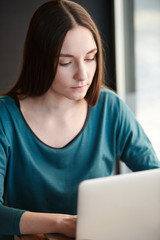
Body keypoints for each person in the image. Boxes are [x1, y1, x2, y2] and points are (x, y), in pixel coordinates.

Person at [0, 0, 160, 239]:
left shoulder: (110, 107)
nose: (83, 75)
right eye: (65, 62)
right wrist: (63, 223)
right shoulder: (5, 117)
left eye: (90, 57)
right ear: (40, 60)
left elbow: (154, 183)